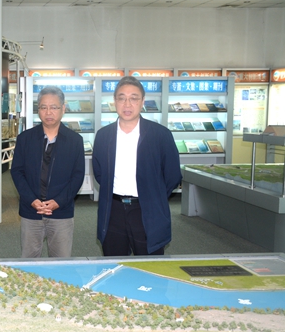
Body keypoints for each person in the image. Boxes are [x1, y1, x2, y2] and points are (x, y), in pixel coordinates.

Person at [92, 76, 182, 256]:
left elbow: (172, 175)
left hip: (147, 210)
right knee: (114, 264)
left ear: (142, 101)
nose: (127, 104)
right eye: (122, 98)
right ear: (115, 101)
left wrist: (153, 196)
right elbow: (100, 173)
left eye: (133, 98)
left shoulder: (160, 135)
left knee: (149, 266)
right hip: (114, 210)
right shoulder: (103, 135)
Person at [11, 86, 85, 258]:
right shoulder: (25, 139)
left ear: (63, 109)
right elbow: (17, 172)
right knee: (29, 261)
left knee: (60, 262)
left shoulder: (75, 140)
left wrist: (58, 202)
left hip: (61, 212)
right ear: (38, 110)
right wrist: (31, 200)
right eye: (43, 107)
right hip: (31, 211)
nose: (48, 112)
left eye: (54, 107)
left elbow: (78, 175)